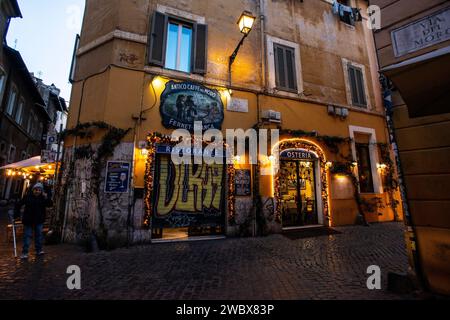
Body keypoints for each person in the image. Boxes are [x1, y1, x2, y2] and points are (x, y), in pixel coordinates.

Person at [14, 183, 53, 259]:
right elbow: (18, 204)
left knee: (38, 236)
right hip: (28, 220)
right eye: (36, 190)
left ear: (41, 191)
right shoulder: (27, 197)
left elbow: (50, 204)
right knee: (27, 236)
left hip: (39, 220)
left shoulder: (43, 198)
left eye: (39, 190)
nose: (37, 191)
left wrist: (47, 197)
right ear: (33, 190)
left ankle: (39, 250)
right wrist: (16, 215)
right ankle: (25, 252)